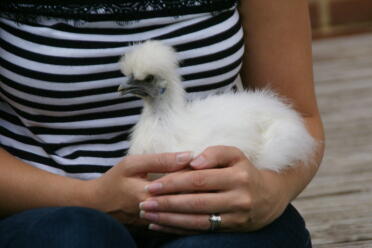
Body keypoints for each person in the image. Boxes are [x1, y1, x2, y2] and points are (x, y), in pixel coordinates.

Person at [0, 1, 324, 247]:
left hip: (215, 208)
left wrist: (270, 190)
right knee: (77, 235)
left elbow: (296, 118)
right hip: (41, 209)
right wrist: (90, 199)